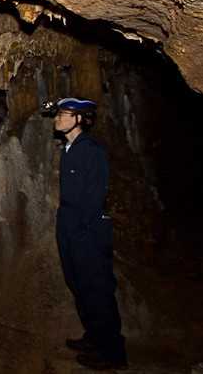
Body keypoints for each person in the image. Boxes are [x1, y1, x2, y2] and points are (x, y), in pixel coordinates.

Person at [52, 97, 127, 370]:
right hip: (70, 226)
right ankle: (94, 337)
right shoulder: (69, 148)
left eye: (63, 114)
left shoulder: (91, 151)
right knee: (79, 285)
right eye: (59, 113)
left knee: (97, 289)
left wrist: (83, 229)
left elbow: (95, 194)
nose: (58, 118)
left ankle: (112, 353)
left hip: (88, 230)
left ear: (79, 120)